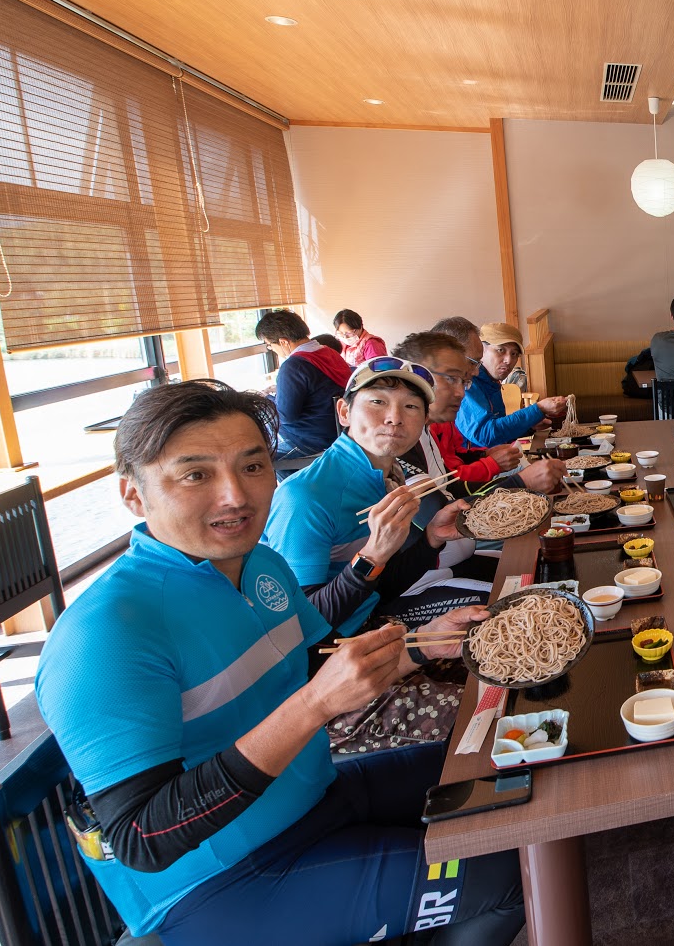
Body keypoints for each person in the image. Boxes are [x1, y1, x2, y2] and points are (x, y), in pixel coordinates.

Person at [34, 380, 523, 945]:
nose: (235, 497)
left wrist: (419, 645)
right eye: (196, 475)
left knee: (503, 770)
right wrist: (313, 706)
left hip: (314, 793)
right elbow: (144, 836)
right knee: (509, 873)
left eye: (252, 466)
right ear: (134, 496)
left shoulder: (260, 564)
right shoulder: (103, 634)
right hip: (218, 882)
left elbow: (311, 662)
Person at [265, 358, 493, 637]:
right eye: (377, 402)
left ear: (424, 421)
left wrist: (431, 538)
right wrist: (371, 555)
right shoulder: (302, 497)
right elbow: (300, 627)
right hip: (337, 648)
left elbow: (382, 587)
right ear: (344, 412)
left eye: (410, 406)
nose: (394, 418)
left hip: (374, 611)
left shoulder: (389, 475)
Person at [395, 331, 567, 498]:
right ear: (417, 376)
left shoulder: (425, 428)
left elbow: (452, 488)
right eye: (451, 378)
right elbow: (436, 518)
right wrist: (521, 481)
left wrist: (485, 457)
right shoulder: (400, 440)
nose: (461, 393)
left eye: (463, 382)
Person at [255, 309, 350, 459]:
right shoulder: (329, 352)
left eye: (269, 345)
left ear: (283, 342)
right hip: (339, 430)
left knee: (263, 455)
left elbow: (286, 416)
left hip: (312, 440)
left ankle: (294, 481)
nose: (271, 350)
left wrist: (267, 398)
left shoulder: (294, 366)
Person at [455, 322, 567, 448]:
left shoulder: (492, 382)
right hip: (471, 465)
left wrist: (529, 425)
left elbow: (499, 434)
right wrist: (538, 409)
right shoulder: (469, 383)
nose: (508, 360)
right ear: (481, 349)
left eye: (514, 354)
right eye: (500, 350)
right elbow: (485, 435)